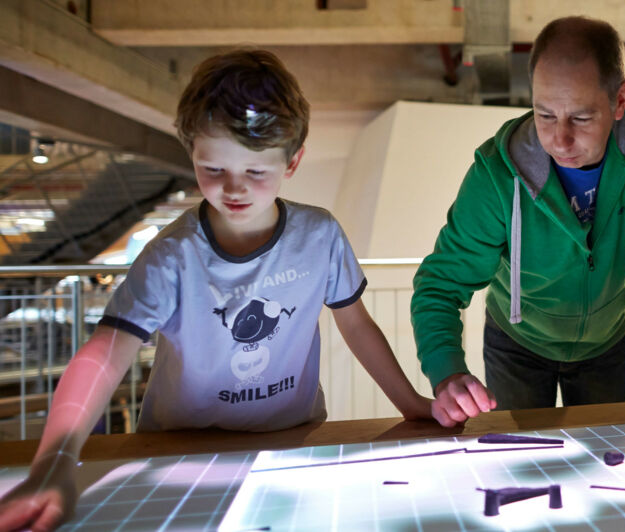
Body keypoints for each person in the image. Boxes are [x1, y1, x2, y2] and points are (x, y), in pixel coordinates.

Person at [0, 49, 434, 531]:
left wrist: (410, 403)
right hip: (177, 450)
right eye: (213, 169)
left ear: (293, 162)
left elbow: (356, 324)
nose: (234, 189)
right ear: (191, 152)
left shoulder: (319, 235)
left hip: (292, 438)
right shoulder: (173, 255)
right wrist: (56, 459)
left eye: (255, 172)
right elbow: (106, 352)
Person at [413, 16, 625, 426]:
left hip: (606, 342)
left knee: (605, 466)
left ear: (620, 101)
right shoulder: (497, 173)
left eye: (581, 118)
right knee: (519, 470)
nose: (560, 140)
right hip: (517, 342)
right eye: (545, 115)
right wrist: (447, 373)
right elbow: (439, 285)